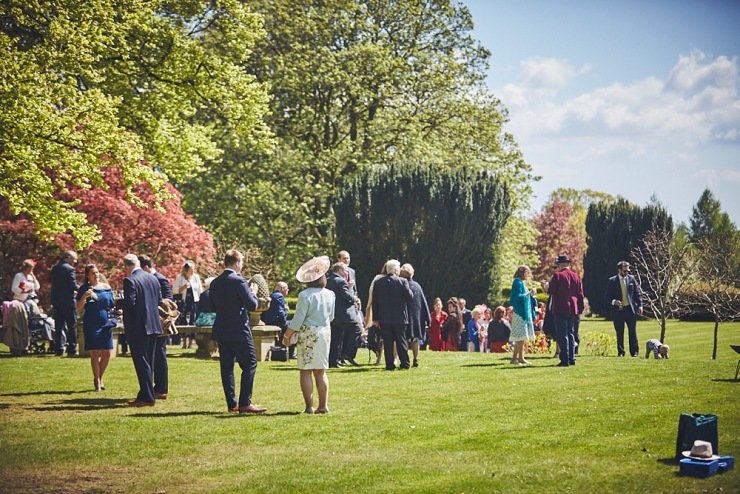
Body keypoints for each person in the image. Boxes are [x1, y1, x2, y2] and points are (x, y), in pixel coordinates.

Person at [209, 249, 266, 414]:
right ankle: (245, 403)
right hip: (239, 330)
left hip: (221, 328)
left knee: (226, 368)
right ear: (237, 263)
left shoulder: (215, 282)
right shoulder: (239, 281)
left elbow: (213, 306)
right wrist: (253, 293)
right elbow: (252, 305)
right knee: (250, 364)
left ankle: (231, 404)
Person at [283, 256, 335, 414]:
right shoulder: (330, 294)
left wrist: (287, 335)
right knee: (321, 371)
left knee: (305, 370)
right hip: (324, 331)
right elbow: (331, 316)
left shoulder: (305, 295)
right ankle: (323, 405)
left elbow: (298, 319)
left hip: (308, 333)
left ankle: (309, 406)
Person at [121, 254, 163, 406]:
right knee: (149, 362)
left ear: (126, 266)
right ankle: (146, 393)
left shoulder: (130, 280)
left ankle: (147, 397)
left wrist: (118, 307)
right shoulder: (153, 278)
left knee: (141, 362)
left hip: (138, 327)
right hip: (154, 325)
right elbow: (159, 301)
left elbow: (130, 303)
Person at [76, 264, 115, 392]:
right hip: (91, 322)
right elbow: (79, 309)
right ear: (87, 276)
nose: (96, 275)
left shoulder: (106, 287)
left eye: (97, 272)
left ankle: (100, 376)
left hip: (105, 322)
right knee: (94, 352)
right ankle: (97, 380)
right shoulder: (84, 289)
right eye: (93, 273)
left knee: (107, 353)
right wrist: (84, 297)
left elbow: (112, 305)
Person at [139, 255, 172, 400]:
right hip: (150, 322)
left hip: (159, 323)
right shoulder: (150, 278)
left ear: (145, 267)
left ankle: (161, 387)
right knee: (153, 354)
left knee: (159, 354)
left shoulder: (160, 279)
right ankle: (155, 387)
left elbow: (168, 301)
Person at [371, 259, 413, 370]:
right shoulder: (403, 281)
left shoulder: (378, 283)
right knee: (401, 341)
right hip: (400, 317)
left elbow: (375, 302)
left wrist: (375, 318)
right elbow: (410, 297)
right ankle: (405, 363)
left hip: (384, 317)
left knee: (388, 342)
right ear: (395, 270)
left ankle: (389, 364)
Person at [546, 254, 584, 367]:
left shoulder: (557, 276)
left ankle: (565, 359)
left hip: (560, 307)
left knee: (562, 334)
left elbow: (551, 291)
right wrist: (580, 307)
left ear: (560, 265)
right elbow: (580, 294)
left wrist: (547, 286)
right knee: (571, 333)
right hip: (573, 308)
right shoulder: (576, 276)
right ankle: (572, 358)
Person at [326, 262, 361, 367]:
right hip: (344, 315)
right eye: (345, 270)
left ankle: (333, 361)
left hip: (333, 314)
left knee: (335, 339)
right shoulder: (341, 281)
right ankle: (347, 354)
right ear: (339, 270)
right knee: (357, 329)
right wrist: (355, 298)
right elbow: (347, 296)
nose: (347, 273)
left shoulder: (328, 280)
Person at [605, 261, 643, 357]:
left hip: (630, 310)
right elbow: (608, 296)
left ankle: (634, 352)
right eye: (625, 271)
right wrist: (614, 302)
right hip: (618, 311)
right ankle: (621, 352)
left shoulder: (632, 279)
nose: (627, 272)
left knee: (632, 332)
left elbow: (637, 293)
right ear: (619, 270)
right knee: (619, 332)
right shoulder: (612, 281)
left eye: (628, 270)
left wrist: (640, 305)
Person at [400, 263, 430, 367]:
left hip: (404, 317)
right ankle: (416, 358)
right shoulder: (417, 286)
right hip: (416, 318)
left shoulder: (401, 285)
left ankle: (403, 359)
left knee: (402, 339)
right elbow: (423, 302)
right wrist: (428, 318)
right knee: (415, 339)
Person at [50, 250, 80, 356]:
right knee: (72, 326)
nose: (75, 262)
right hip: (68, 301)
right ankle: (72, 349)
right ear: (67, 258)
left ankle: (58, 348)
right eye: (74, 259)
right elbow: (72, 285)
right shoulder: (70, 269)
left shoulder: (54, 268)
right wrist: (83, 290)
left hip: (56, 301)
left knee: (59, 326)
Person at [509, 266, 536, 365]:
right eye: (527, 273)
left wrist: (530, 295)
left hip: (523, 313)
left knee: (522, 337)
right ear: (522, 273)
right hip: (520, 313)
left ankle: (519, 358)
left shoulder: (521, 282)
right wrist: (529, 293)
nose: (528, 275)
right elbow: (517, 297)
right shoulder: (517, 282)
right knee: (520, 337)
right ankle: (516, 358)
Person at [173, 260, 203, 348]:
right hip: (184, 302)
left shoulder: (196, 277)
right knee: (183, 321)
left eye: (193, 269)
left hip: (194, 302)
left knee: (192, 320)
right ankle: (184, 342)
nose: (193, 271)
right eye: (191, 269)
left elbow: (200, 289)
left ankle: (190, 342)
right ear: (186, 270)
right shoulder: (180, 277)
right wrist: (183, 287)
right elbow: (174, 290)